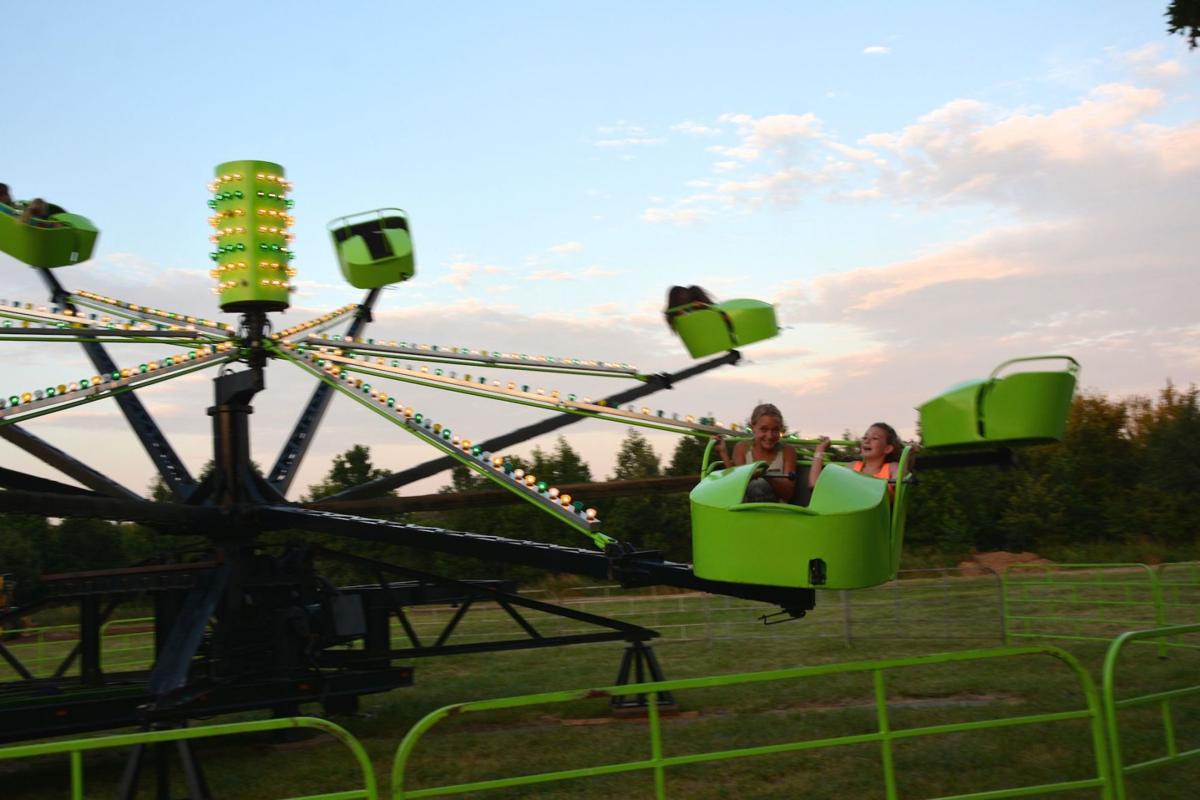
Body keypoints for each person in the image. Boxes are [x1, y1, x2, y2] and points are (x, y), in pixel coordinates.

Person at [713, 402, 797, 503]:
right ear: (753, 427)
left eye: (775, 430)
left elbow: (787, 494)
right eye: (764, 429)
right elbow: (737, 485)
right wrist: (723, 453)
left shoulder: (788, 451)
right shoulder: (742, 448)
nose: (770, 436)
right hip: (748, 511)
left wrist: (765, 475)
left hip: (778, 512)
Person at [809, 422, 907, 491]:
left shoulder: (892, 468)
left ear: (888, 448)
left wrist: (909, 456)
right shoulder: (852, 467)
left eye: (875, 438)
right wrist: (819, 450)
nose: (867, 441)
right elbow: (815, 484)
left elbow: (900, 482)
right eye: (865, 437)